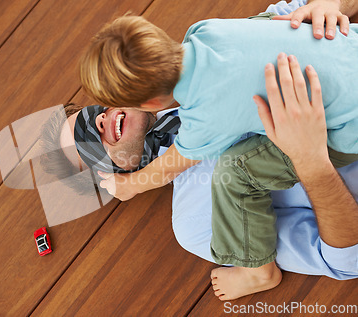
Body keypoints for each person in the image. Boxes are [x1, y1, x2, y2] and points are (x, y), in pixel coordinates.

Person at [76, 0, 358, 299]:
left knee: (235, 170)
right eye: (88, 144)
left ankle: (257, 272)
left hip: (347, 133)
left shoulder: (205, 117)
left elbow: (172, 164)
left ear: (149, 104)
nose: (99, 119)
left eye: (92, 112)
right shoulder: (206, 30)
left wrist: (133, 185)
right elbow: (269, 24)